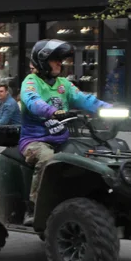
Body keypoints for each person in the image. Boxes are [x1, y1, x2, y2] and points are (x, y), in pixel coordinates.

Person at [19, 39, 110, 225]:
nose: (60, 63)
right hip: (35, 140)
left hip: (61, 138)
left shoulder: (63, 84)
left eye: (61, 60)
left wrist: (109, 108)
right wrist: (50, 111)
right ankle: (33, 206)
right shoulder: (30, 82)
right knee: (46, 158)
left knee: (94, 153)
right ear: (43, 61)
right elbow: (32, 100)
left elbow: (84, 99)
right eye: (55, 59)